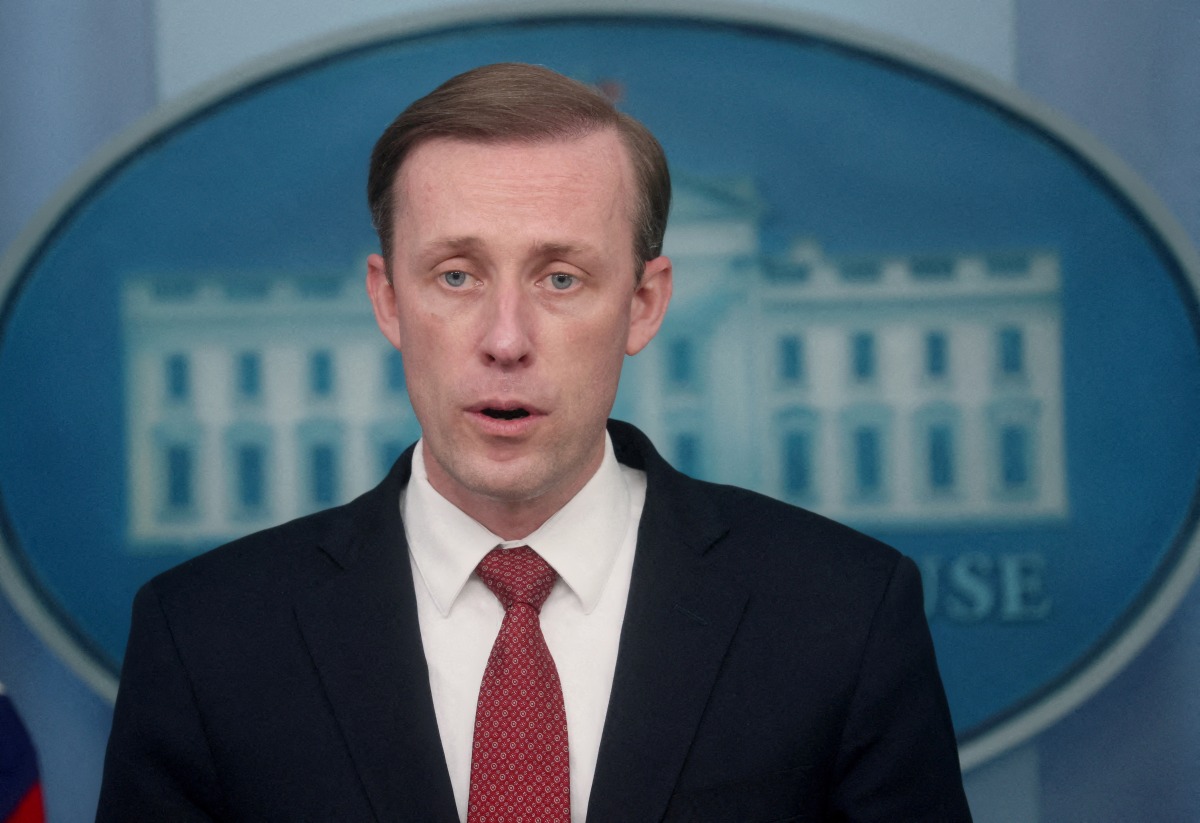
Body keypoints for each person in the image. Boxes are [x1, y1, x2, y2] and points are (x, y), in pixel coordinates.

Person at [97, 63, 972, 822]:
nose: (505, 338)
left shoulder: (843, 616)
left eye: (561, 277)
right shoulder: (205, 637)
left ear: (643, 302)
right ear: (388, 300)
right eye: (455, 275)